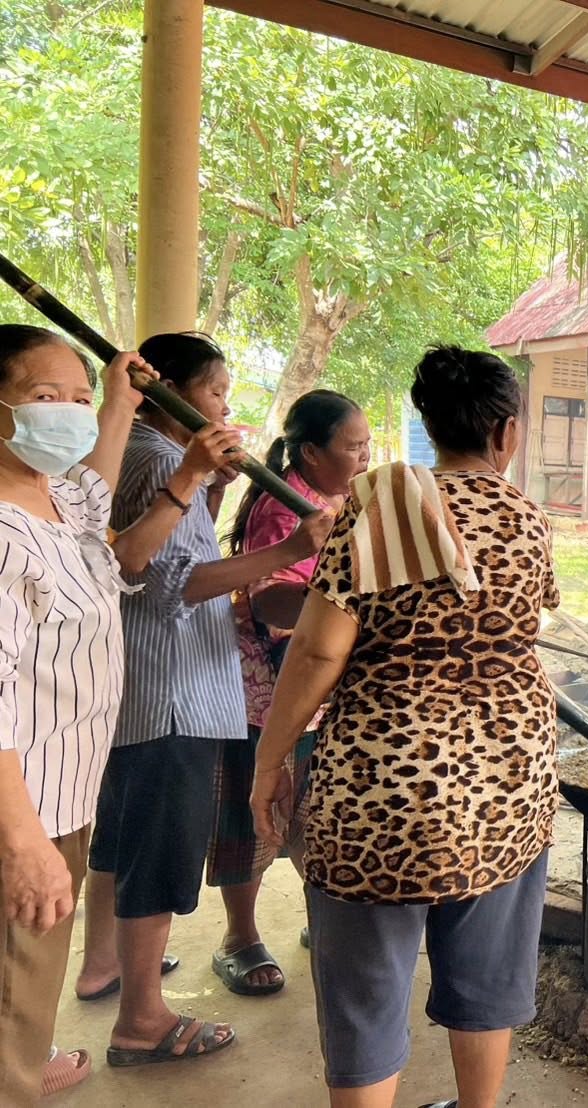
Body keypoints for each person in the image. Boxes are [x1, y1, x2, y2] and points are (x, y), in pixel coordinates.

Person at [250, 346, 559, 1108]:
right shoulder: (528, 518)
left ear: (430, 425)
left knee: (365, 987)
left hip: (381, 786)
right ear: (506, 432)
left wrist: (270, 760)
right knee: (487, 973)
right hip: (507, 783)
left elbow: (319, 649)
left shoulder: (379, 505)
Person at [79, 332, 332, 1067]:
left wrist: (212, 490)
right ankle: (142, 1021)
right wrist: (289, 553)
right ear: (166, 389)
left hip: (148, 687)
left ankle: (104, 964)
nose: (224, 406)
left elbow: (175, 556)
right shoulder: (163, 460)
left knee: (122, 838)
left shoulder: (144, 454)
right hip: (175, 691)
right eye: (215, 391)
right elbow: (173, 584)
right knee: (159, 851)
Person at [0, 326, 152, 1104]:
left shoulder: (53, 495)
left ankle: (26, 1061)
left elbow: (94, 492)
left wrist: (117, 399)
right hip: (22, 809)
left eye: (77, 398)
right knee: (13, 997)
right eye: (43, 396)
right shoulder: (4, 534)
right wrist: (24, 845)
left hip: (62, 794)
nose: (66, 412)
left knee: (26, 996)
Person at [221, 390, 369, 940]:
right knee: (255, 822)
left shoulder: (339, 499)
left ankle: (323, 921)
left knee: (313, 812)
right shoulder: (286, 508)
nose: (365, 457)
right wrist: (334, 607)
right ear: (310, 452)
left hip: (317, 686)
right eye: (353, 447)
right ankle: (241, 937)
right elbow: (269, 601)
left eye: (368, 445)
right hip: (272, 687)